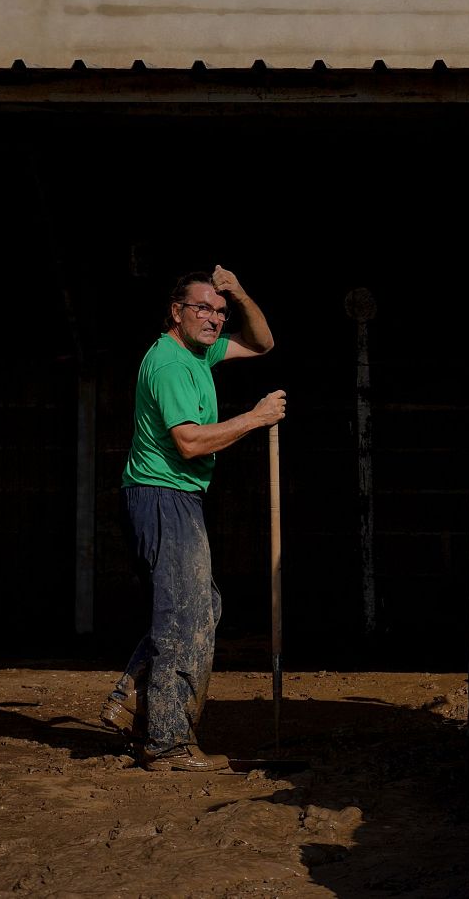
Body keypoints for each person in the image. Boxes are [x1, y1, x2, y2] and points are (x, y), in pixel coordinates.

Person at [101, 265, 286, 772]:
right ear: (175, 313)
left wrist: (240, 292)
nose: (214, 317)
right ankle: (166, 744)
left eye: (220, 311)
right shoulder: (170, 365)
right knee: (186, 618)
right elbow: (188, 443)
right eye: (202, 307)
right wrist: (255, 417)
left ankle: (127, 698)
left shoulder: (201, 352)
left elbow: (263, 343)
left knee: (201, 603)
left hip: (172, 496)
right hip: (161, 494)